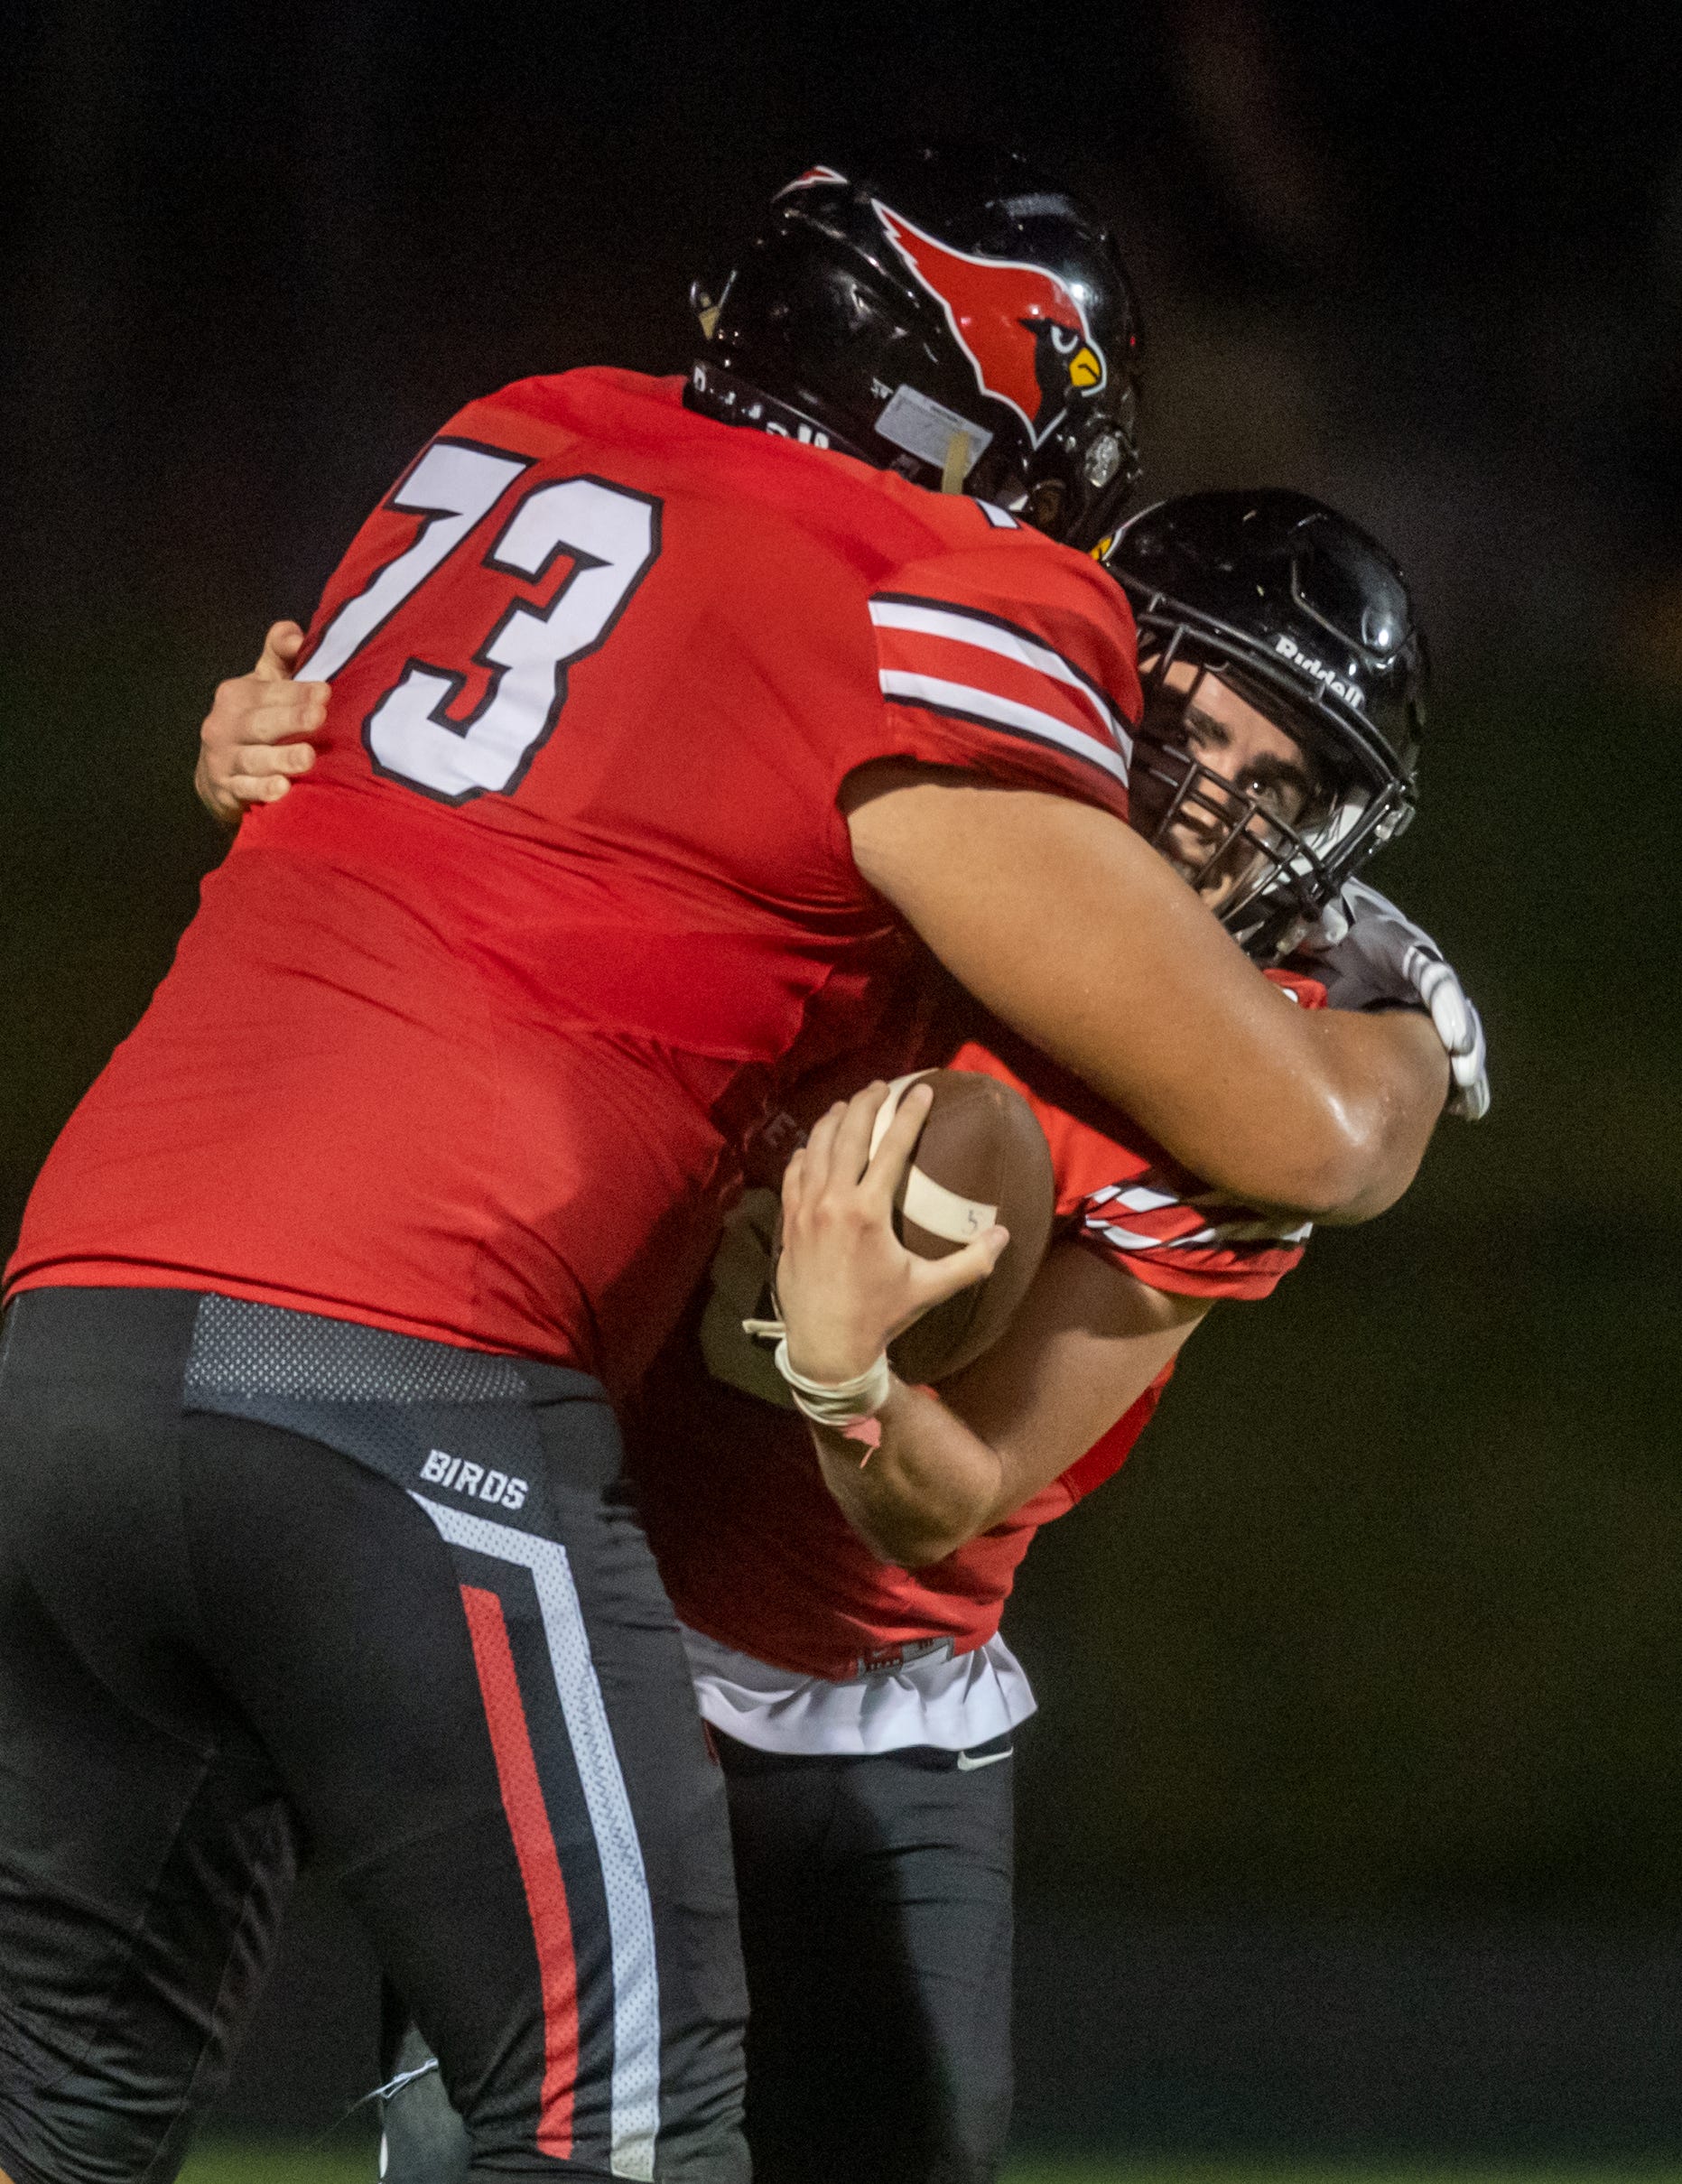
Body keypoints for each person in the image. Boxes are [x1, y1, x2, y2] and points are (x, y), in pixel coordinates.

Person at [0, 139, 1455, 2184]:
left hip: (78, 1316)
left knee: (62, 2107)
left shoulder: (513, 438)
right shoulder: (943, 604)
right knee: (623, 2119)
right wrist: (1414, 1029)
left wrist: (236, 737)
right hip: (410, 1377)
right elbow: (1303, 1129)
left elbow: (401, 772)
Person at [336, 495, 1487, 2184]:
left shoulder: (1249, 1090)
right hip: (584, 1643)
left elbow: (946, 1499)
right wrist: (297, 756)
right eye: (1189, 724)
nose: (1213, 801)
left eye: (1281, 779)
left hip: (884, 1715)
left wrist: (844, 1370)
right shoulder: (865, 849)